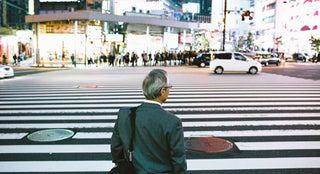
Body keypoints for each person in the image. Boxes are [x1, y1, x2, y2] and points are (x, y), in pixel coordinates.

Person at [111, 69, 187, 174]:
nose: (169, 90)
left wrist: (124, 165)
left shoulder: (125, 114)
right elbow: (178, 161)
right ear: (162, 91)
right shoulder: (172, 122)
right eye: (169, 87)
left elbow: (116, 148)